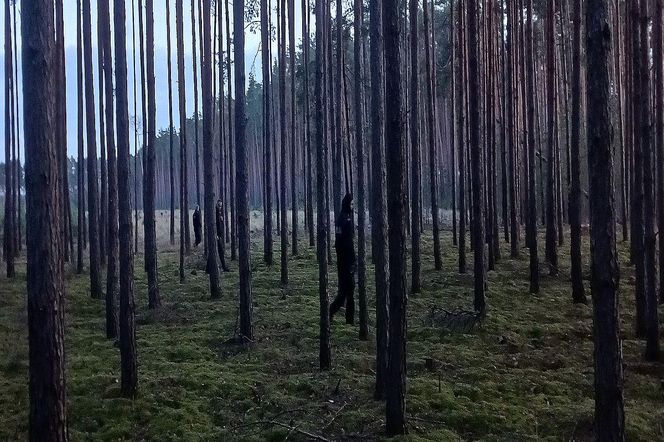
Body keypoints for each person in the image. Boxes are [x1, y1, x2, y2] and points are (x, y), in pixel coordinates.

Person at [330, 193, 356, 324]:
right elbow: (345, 243)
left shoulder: (342, 218)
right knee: (347, 292)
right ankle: (332, 313)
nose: (353, 206)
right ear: (347, 204)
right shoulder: (344, 219)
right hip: (345, 261)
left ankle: (348, 320)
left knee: (346, 292)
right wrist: (352, 261)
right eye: (352, 204)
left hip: (343, 260)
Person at [215, 199, 230, 272]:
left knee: (216, 251)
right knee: (220, 251)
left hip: (219, 235)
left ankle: (208, 269)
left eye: (221, 206)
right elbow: (215, 225)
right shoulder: (216, 212)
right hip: (217, 235)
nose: (220, 207)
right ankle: (224, 267)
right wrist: (216, 235)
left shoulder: (219, 213)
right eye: (219, 205)